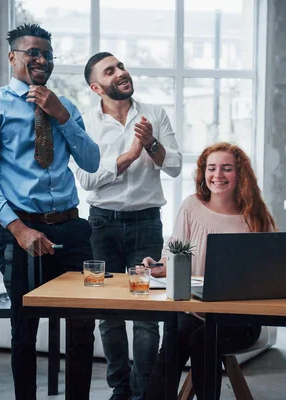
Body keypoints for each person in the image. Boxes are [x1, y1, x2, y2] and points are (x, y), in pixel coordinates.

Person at [0, 24, 100, 400]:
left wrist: (61, 115)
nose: (42, 60)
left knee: (81, 329)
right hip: (22, 232)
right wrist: (19, 229)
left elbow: (90, 161)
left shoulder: (66, 106)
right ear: (13, 57)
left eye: (47, 54)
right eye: (33, 53)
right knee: (24, 330)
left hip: (72, 230)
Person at [73, 52, 182, 400]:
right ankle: (120, 388)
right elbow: (87, 180)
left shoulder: (155, 114)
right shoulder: (85, 123)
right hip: (101, 225)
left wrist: (150, 143)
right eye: (110, 70)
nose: (121, 72)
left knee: (147, 311)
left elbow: (176, 167)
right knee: (108, 312)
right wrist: (131, 154)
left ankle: (144, 391)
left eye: (121, 66)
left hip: (147, 223)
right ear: (96, 86)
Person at [143, 142, 277, 400]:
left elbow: (268, 272)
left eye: (227, 169)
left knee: (204, 338)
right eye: (212, 168)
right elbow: (173, 253)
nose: (218, 175)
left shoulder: (255, 216)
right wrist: (159, 266)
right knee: (176, 334)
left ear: (240, 174)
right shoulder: (192, 206)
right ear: (203, 173)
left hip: (240, 317)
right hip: (195, 309)